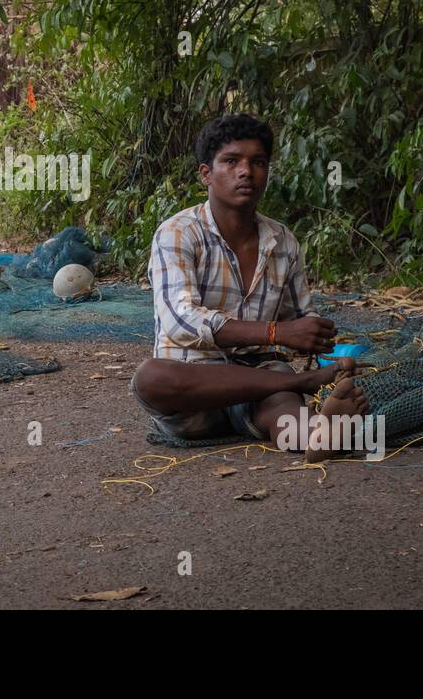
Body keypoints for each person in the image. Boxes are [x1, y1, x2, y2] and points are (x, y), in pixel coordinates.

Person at [130, 113, 368, 461]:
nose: (246, 171)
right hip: (194, 385)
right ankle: (300, 385)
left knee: (282, 411)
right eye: (231, 161)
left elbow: (299, 317)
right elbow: (180, 323)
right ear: (205, 174)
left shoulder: (282, 240)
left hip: (263, 378)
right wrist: (276, 333)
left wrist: (315, 333)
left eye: (257, 162)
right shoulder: (177, 232)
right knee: (150, 378)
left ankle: (320, 433)